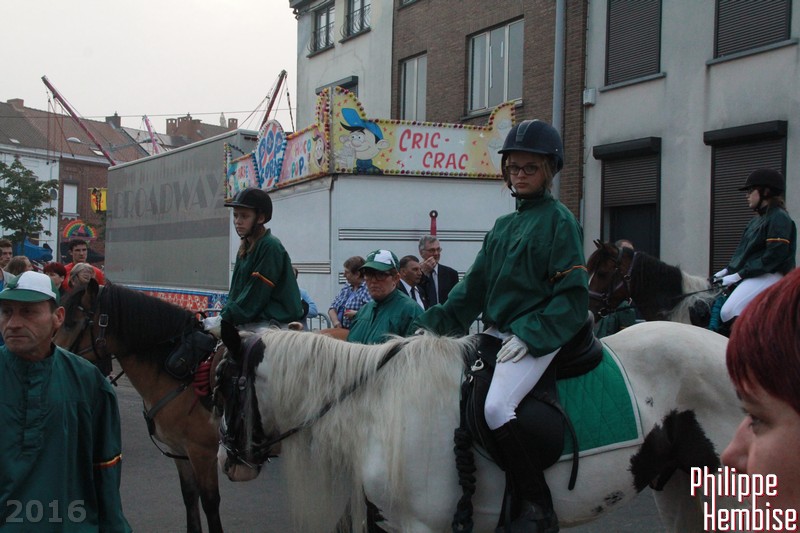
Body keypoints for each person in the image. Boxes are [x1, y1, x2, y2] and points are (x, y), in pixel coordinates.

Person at [414, 120, 588, 532]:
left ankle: (537, 503)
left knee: (496, 408)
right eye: (513, 167)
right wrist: (431, 326)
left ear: (548, 170)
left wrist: (531, 334)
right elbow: (472, 289)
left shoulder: (560, 221)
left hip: (538, 333)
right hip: (497, 333)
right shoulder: (503, 227)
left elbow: (572, 296)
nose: (520, 175)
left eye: (530, 168)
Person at [0, 271, 131, 532]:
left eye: (28, 312)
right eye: (6, 312)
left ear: (58, 317)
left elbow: (105, 467)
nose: (13, 323)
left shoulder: (88, 382)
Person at [721, 267, 800, 512]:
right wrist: (727, 272)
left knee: (727, 310)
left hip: (766, 272)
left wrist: (742, 272)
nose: (728, 456)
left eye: (757, 418)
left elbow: (771, 255)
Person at [712, 168, 796, 335]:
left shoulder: (779, 218)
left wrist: (738, 275)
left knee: (729, 310)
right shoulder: (755, 221)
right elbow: (743, 253)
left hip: (772, 273)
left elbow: (774, 257)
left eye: (751, 190)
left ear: (766, 192)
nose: (747, 195)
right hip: (754, 273)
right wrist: (727, 271)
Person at [206, 188, 303, 332]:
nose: (238, 221)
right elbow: (236, 291)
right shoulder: (245, 247)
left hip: (276, 324)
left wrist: (226, 317)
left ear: (260, 218)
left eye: (244, 216)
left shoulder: (270, 245)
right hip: (254, 320)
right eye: (235, 215)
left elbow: (256, 294)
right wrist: (224, 316)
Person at [347, 249, 424, 345]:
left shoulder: (411, 311)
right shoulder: (363, 311)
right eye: (369, 274)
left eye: (380, 274)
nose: (373, 280)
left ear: (396, 278)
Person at [327, 256, 372, 330]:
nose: (344, 275)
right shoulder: (347, 287)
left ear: (357, 274)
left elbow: (372, 313)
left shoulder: (367, 290)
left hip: (357, 331)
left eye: (347, 272)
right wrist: (336, 322)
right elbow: (332, 308)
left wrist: (357, 314)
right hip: (341, 329)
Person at [417, 235, 460, 305]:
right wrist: (423, 272)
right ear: (421, 253)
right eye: (432, 250)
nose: (436, 253)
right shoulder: (414, 273)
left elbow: (456, 300)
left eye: (438, 249)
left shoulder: (451, 274)